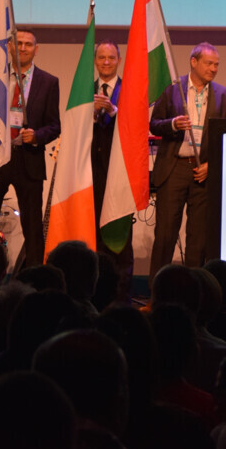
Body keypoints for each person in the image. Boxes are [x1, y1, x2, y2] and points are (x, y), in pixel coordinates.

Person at [0, 28, 61, 272]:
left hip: (29, 161)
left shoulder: (48, 81)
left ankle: (35, 280)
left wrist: (36, 136)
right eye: (18, 43)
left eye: (28, 44)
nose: (23, 48)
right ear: (10, 47)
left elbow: (54, 126)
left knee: (33, 228)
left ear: (36, 49)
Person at [150, 43, 226, 275]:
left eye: (217, 64)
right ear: (193, 62)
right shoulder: (173, 89)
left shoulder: (225, 96)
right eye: (209, 63)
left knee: (198, 240)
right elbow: (154, 123)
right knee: (166, 235)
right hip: (174, 168)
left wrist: (213, 165)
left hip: (204, 172)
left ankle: (195, 291)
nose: (213, 69)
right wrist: (172, 124)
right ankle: (157, 292)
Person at [91, 39, 133, 301]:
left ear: (119, 60)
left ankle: (121, 296)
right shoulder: (85, 89)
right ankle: (96, 293)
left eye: (111, 58)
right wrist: (90, 112)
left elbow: (137, 125)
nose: (106, 62)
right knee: (94, 234)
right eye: (101, 58)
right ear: (95, 61)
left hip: (120, 172)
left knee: (119, 237)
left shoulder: (129, 88)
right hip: (92, 172)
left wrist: (115, 111)